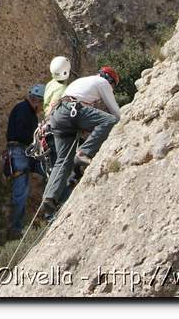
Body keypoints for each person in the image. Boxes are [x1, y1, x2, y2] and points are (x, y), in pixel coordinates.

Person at [38, 67, 122, 222]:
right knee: (109, 120)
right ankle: (83, 153)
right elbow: (115, 113)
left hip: (58, 116)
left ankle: (49, 198)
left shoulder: (82, 81)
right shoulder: (102, 82)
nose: (112, 89)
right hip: (72, 111)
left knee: (63, 160)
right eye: (113, 86)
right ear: (110, 80)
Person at [5, 83, 45, 238]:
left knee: (23, 189)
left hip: (22, 152)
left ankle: (18, 226)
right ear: (37, 101)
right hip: (20, 152)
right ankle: (16, 229)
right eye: (42, 104)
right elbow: (22, 134)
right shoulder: (23, 110)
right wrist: (37, 138)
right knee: (21, 192)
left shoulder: (25, 110)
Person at [40, 56, 73, 177]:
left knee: (54, 168)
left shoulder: (51, 84)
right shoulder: (62, 89)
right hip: (54, 129)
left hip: (47, 128)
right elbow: (52, 108)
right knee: (61, 169)